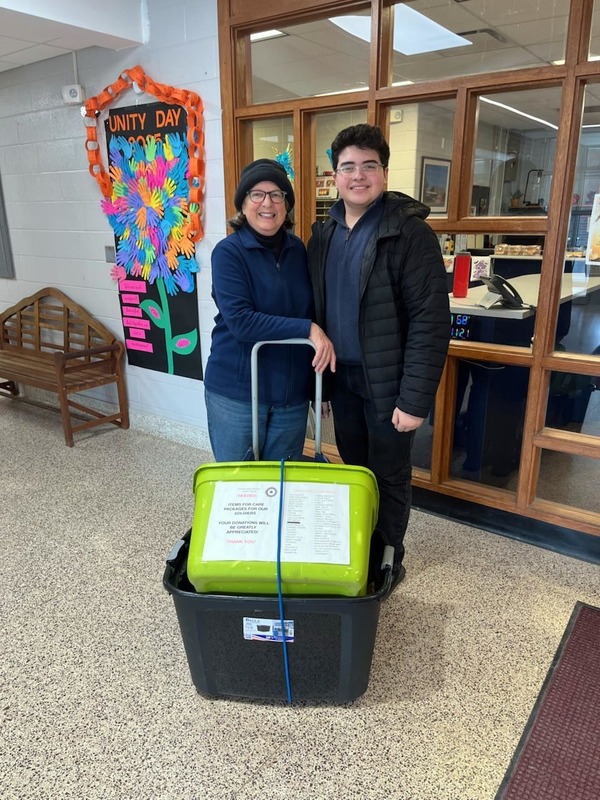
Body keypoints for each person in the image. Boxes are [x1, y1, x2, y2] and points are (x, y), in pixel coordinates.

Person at [307, 124, 450, 588]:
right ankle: (363, 548)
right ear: (335, 175)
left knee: (389, 475)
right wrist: (322, 387)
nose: (359, 175)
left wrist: (414, 400)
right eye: (348, 166)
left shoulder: (409, 235)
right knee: (357, 470)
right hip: (343, 380)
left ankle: (389, 561)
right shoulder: (324, 234)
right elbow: (319, 313)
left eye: (370, 165)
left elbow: (431, 322)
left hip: (388, 385)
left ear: (384, 173)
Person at [204, 158, 335, 462]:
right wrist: (307, 330)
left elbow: (315, 311)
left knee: (281, 487)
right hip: (237, 393)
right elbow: (241, 322)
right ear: (243, 203)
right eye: (257, 194)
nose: (268, 203)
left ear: (286, 205)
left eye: (277, 194)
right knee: (240, 491)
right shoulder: (228, 253)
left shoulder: (298, 250)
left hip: (291, 397)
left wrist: (321, 387)